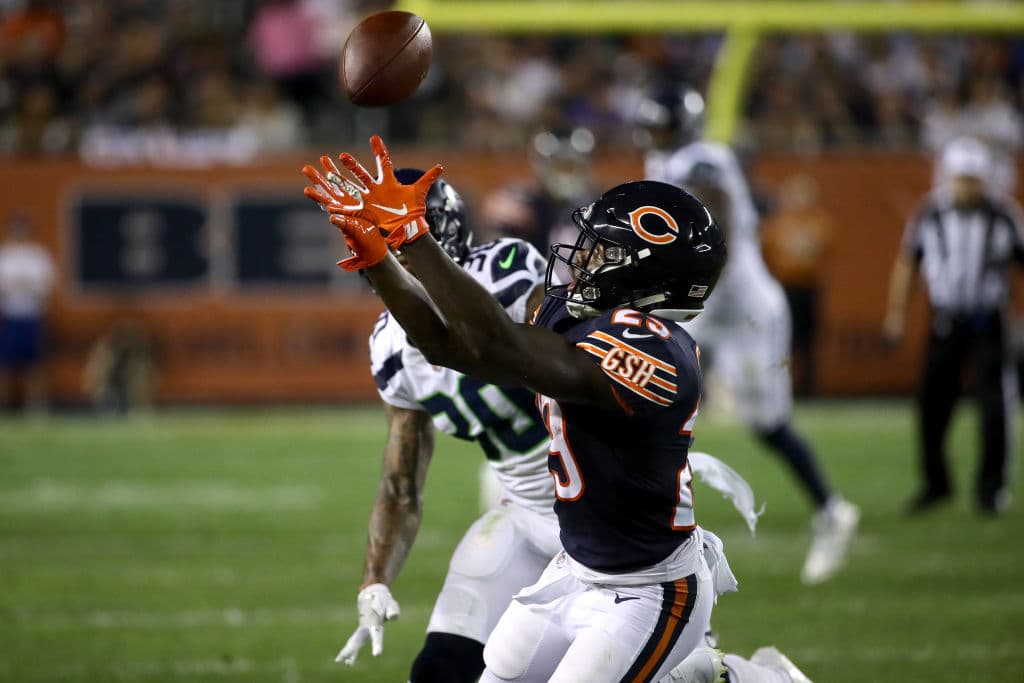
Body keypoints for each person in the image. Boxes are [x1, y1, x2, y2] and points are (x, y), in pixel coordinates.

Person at [304, 136, 729, 681]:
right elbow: (448, 347)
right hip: (572, 567)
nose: (585, 256)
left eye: (605, 250)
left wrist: (412, 240)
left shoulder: (655, 351)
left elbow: (500, 345)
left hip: (647, 589)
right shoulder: (580, 314)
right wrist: (383, 258)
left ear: (649, 271)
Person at [304, 163, 559, 682]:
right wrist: (374, 581)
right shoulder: (391, 346)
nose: (374, 251)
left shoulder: (511, 268)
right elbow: (401, 486)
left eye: (383, 233)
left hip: (607, 512)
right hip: (524, 512)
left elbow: (554, 359)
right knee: (441, 669)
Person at [639, 89, 859, 585]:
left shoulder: (702, 159)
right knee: (653, 394)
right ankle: (651, 516)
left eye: (662, 129)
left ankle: (832, 509)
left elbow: (716, 218)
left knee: (767, 423)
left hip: (745, 312)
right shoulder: (664, 159)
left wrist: (692, 268)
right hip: (703, 306)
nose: (656, 139)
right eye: (651, 130)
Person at [883, 136, 1024, 515]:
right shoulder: (931, 213)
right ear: (948, 177)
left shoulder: (1003, 214)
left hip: (989, 321)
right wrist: (896, 313)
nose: (967, 186)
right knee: (932, 405)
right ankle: (936, 484)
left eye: (974, 178)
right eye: (961, 178)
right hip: (945, 319)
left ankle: (991, 490)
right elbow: (908, 263)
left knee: (994, 408)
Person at [0, 211, 56, 412]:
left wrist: (21, 285)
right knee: (5, 365)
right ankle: (4, 407)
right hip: (10, 318)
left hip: (33, 317)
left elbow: (44, 288)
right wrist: (23, 285)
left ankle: (36, 407)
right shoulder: (4, 256)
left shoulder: (38, 256)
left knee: (36, 366)